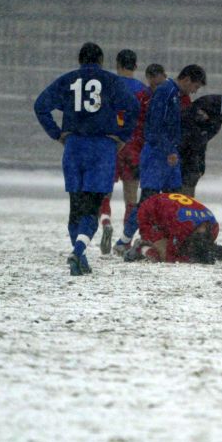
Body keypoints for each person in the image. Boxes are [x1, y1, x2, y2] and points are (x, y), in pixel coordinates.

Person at [34, 42, 138, 276]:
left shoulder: (68, 80)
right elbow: (132, 108)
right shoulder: (111, 81)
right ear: (101, 61)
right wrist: (122, 137)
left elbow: (40, 106)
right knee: (92, 205)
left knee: (76, 206)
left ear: (80, 60)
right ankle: (78, 251)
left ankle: (79, 257)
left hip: (73, 147)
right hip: (101, 147)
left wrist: (57, 133)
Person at [112, 62, 167, 257]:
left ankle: (111, 226)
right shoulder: (148, 95)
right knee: (139, 198)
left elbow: (122, 116)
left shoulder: (139, 95)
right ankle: (135, 237)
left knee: (113, 192)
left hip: (130, 148)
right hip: (145, 153)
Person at [98, 48, 146, 253]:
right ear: (135, 66)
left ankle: (106, 221)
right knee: (131, 197)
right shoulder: (143, 91)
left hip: (111, 144)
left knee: (104, 192)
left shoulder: (108, 86)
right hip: (134, 146)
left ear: (117, 65)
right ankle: (126, 239)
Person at [137, 63, 206, 203]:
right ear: (186, 80)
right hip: (157, 153)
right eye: (195, 87)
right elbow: (156, 126)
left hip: (170, 153)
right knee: (149, 199)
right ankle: (132, 225)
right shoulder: (165, 91)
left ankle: (166, 225)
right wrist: (169, 149)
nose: (194, 91)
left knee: (174, 199)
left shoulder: (175, 94)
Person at [124, 192, 220, 264]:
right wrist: (191, 259)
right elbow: (170, 256)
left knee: (183, 250)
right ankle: (141, 248)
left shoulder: (213, 228)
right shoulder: (183, 227)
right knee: (162, 257)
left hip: (168, 210)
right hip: (149, 212)